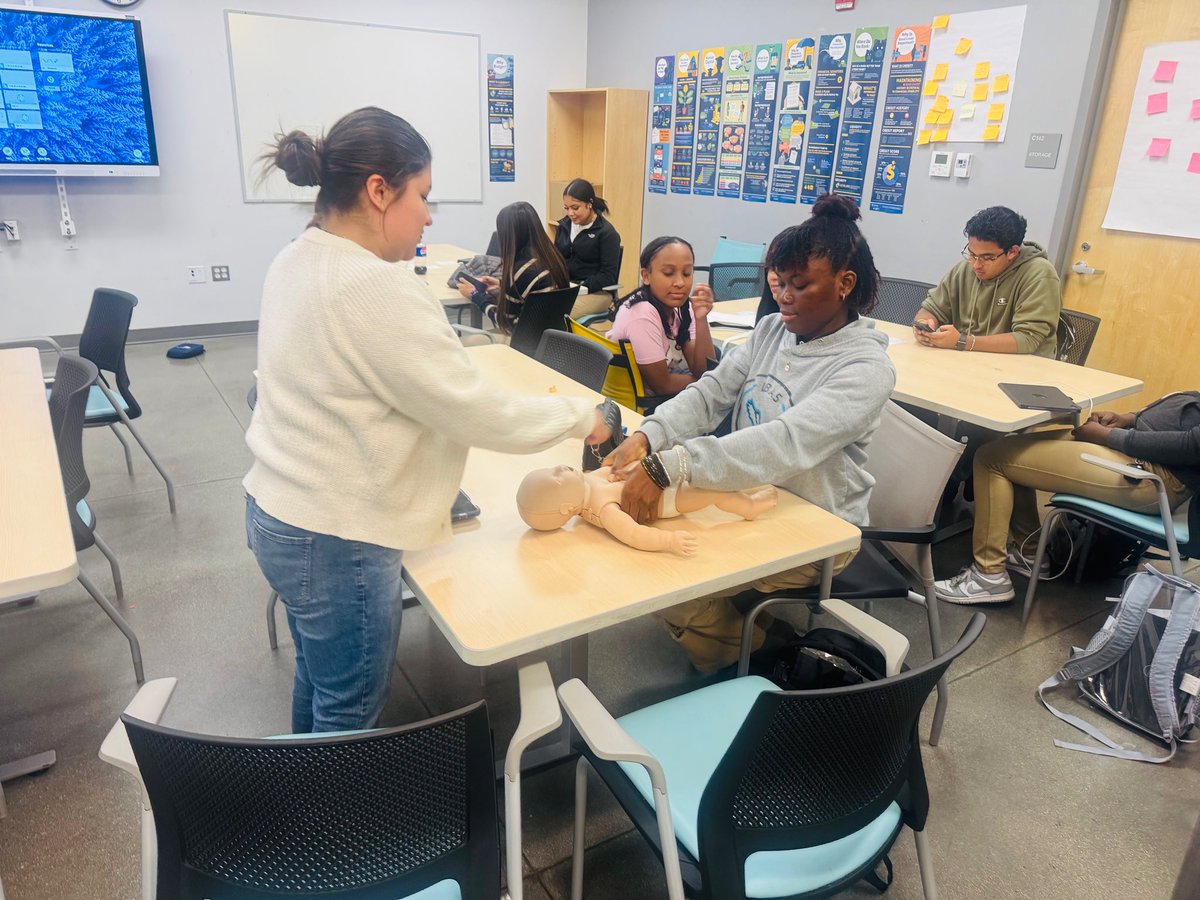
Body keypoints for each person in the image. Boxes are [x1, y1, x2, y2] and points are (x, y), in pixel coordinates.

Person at [244, 107, 609, 733]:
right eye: (423, 195)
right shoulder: (372, 286)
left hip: (277, 512)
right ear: (379, 191)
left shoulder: (296, 257)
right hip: (336, 536)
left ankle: (299, 788)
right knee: (349, 710)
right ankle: (324, 802)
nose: (429, 216)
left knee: (321, 681)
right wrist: (583, 417)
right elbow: (476, 412)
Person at [604, 194, 896, 672]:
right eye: (779, 283)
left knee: (669, 581)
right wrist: (650, 436)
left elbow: (785, 442)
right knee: (648, 553)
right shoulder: (771, 330)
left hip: (817, 525)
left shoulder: (865, 369)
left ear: (845, 283)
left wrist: (672, 465)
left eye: (800, 286)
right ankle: (755, 638)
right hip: (747, 495)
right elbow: (710, 392)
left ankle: (766, 658)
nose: (783, 297)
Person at [934, 392, 1200, 604]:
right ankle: (1030, 554)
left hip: (1153, 475)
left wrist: (1110, 436)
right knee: (1010, 446)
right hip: (1141, 450)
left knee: (991, 459)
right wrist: (1129, 419)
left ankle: (988, 577)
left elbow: (1193, 446)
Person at [516, 463, 778, 555]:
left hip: (658, 477)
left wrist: (621, 468)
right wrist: (669, 541)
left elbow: (611, 471)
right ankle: (750, 506)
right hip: (669, 499)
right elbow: (634, 534)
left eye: (551, 468)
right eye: (557, 478)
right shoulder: (604, 510)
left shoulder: (586, 482)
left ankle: (753, 480)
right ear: (566, 508)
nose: (559, 468)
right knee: (712, 491)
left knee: (712, 471)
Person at [913, 206, 1062, 358]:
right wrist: (924, 324)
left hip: (1021, 366)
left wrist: (963, 342)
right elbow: (932, 309)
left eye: (987, 258)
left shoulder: (1039, 274)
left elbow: (1028, 339)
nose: (976, 265)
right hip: (967, 360)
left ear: (1012, 252)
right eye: (972, 254)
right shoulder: (964, 269)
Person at [609, 236, 716, 398]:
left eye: (687, 273)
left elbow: (702, 368)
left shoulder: (683, 307)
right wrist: (707, 382)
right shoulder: (642, 314)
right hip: (640, 404)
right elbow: (662, 386)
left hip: (664, 391)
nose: (680, 282)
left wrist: (701, 319)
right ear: (646, 276)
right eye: (668, 273)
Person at [456, 200, 569, 332]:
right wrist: (502, 284)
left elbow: (505, 324)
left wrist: (475, 296)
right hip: (555, 337)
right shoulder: (554, 258)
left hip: (525, 339)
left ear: (507, 236)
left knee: (465, 343)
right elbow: (531, 288)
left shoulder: (521, 271)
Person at [553, 178, 622, 318]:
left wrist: (582, 287)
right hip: (567, 288)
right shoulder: (564, 226)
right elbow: (556, 260)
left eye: (575, 208)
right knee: (537, 305)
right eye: (567, 208)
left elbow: (608, 276)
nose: (570, 213)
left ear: (589, 204)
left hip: (597, 292)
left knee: (557, 312)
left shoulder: (607, 233)